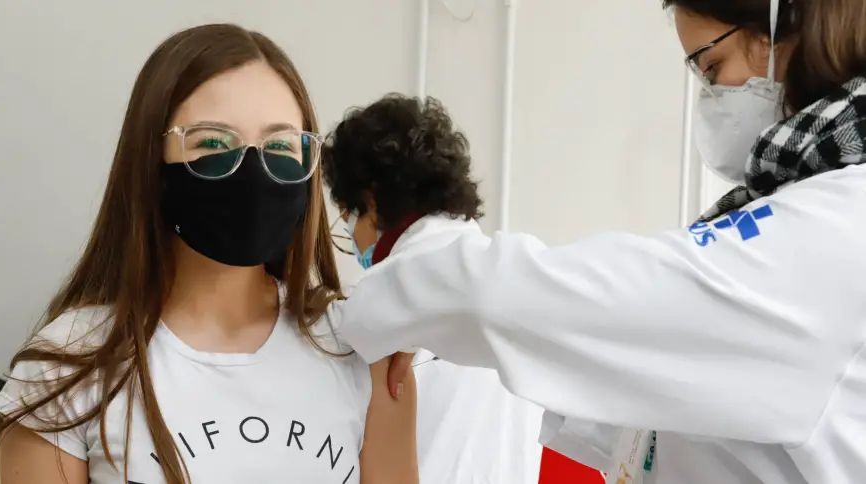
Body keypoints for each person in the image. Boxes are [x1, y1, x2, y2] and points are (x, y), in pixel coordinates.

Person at [336, 0, 866, 483]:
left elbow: (576, 300)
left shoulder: (833, 231)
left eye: (712, 67)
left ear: (781, 27)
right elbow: (685, 415)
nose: (711, 99)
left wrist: (386, 305)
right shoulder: (803, 205)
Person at [0, 24, 417, 484]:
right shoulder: (67, 366)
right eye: (212, 142)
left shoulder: (362, 346)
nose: (253, 171)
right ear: (152, 162)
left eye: (279, 146)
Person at [321, 94, 545, 484]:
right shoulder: (518, 282)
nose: (352, 237)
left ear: (369, 203)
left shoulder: (375, 304)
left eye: (347, 216)